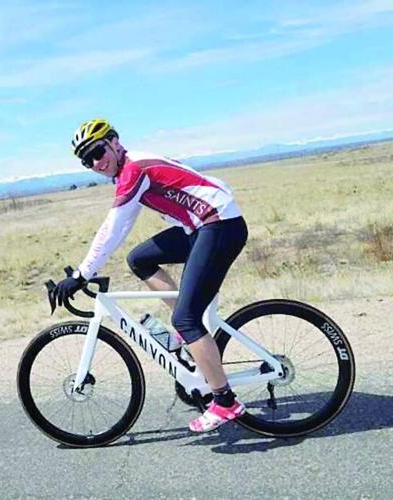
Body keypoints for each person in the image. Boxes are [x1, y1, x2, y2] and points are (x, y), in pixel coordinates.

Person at [53, 118, 248, 433]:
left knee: (187, 318)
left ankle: (225, 402)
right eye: (87, 160)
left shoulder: (134, 170)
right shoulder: (132, 166)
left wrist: (81, 274)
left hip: (220, 225)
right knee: (139, 259)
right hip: (202, 226)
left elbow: (116, 226)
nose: (96, 162)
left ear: (115, 142)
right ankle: (188, 331)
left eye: (98, 151)